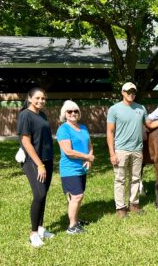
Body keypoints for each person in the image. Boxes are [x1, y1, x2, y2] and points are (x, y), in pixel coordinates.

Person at [17, 87, 54, 247]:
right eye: (37, 98)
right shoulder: (25, 115)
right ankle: (33, 234)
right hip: (34, 161)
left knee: (44, 194)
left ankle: (40, 228)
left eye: (43, 98)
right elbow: (25, 141)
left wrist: (46, 162)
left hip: (47, 159)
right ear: (30, 98)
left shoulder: (42, 115)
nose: (41, 101)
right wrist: (39, 164)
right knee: (39, 194)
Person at [107, 82, 148, 218]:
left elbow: (149, 124)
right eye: (128, 91)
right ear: (122, 92)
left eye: (133, 92)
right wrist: (112, 153)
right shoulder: (114, 109)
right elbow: (110, 132)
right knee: (120, 179)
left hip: (137, 150)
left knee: (136, 178)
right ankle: (120, 208)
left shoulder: (141, 108)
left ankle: (134, 204)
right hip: (121, 150)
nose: (131, 94)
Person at [56, 100, 94, 234]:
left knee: (77, 196)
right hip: (70, 169)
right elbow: (68, 151)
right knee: (77, 196)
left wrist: (90, 157)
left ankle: (76, 220)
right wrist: (86, 157)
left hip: (82, 168)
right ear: (64, 114)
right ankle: (72, 227)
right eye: (69, 111)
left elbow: (89, 144)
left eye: (75, 111)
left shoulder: (83, 127)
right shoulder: (63, 129)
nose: (73, 113)